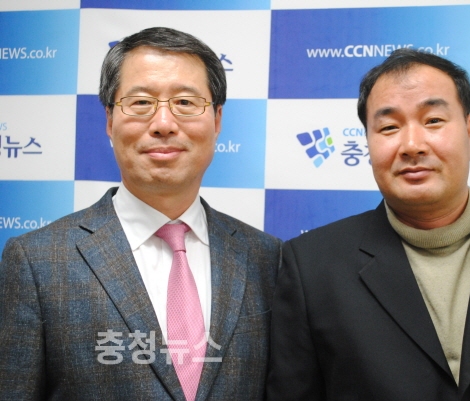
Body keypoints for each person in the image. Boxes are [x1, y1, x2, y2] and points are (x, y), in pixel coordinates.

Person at [266, 48, 470, 400]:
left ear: (469, 131)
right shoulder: (312, 267)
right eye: (389, 127)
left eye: (433, 121)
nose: (412, 145)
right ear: (367, 143)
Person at [0, 27, 281, 401]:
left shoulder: (266, 258)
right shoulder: (37, 262)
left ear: (217, 121)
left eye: (185, 102)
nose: (163, 124)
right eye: (141, 102)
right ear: (109, 120)